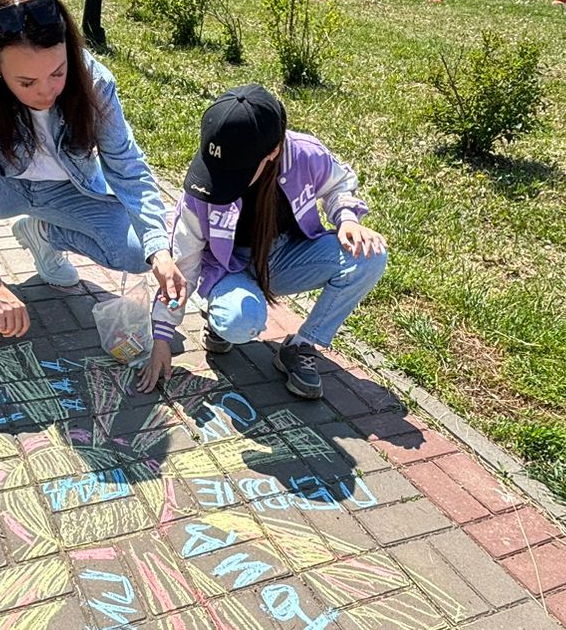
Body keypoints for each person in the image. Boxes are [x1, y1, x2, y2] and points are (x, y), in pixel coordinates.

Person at [0, 0, 186, 352]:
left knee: (137, 252)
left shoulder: (94, 80)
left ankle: (44, 236)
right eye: (27, 81)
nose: (46, 91)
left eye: (57, 73)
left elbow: (126, 164)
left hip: (67, 189)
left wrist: (159, 249)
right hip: (1, 187)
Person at [138, 85, 388, 400]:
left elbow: (339, 184)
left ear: (272, 152)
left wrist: (348, 218)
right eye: (217, 169)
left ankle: (299, 347)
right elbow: (182, 264)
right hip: (228, 267)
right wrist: (162, 338)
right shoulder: (202, 184)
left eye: (235, 172)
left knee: (369, 257)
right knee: (239, 322)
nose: (222, 179)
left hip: (286, 256)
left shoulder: (305, 154)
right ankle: (222, 314)